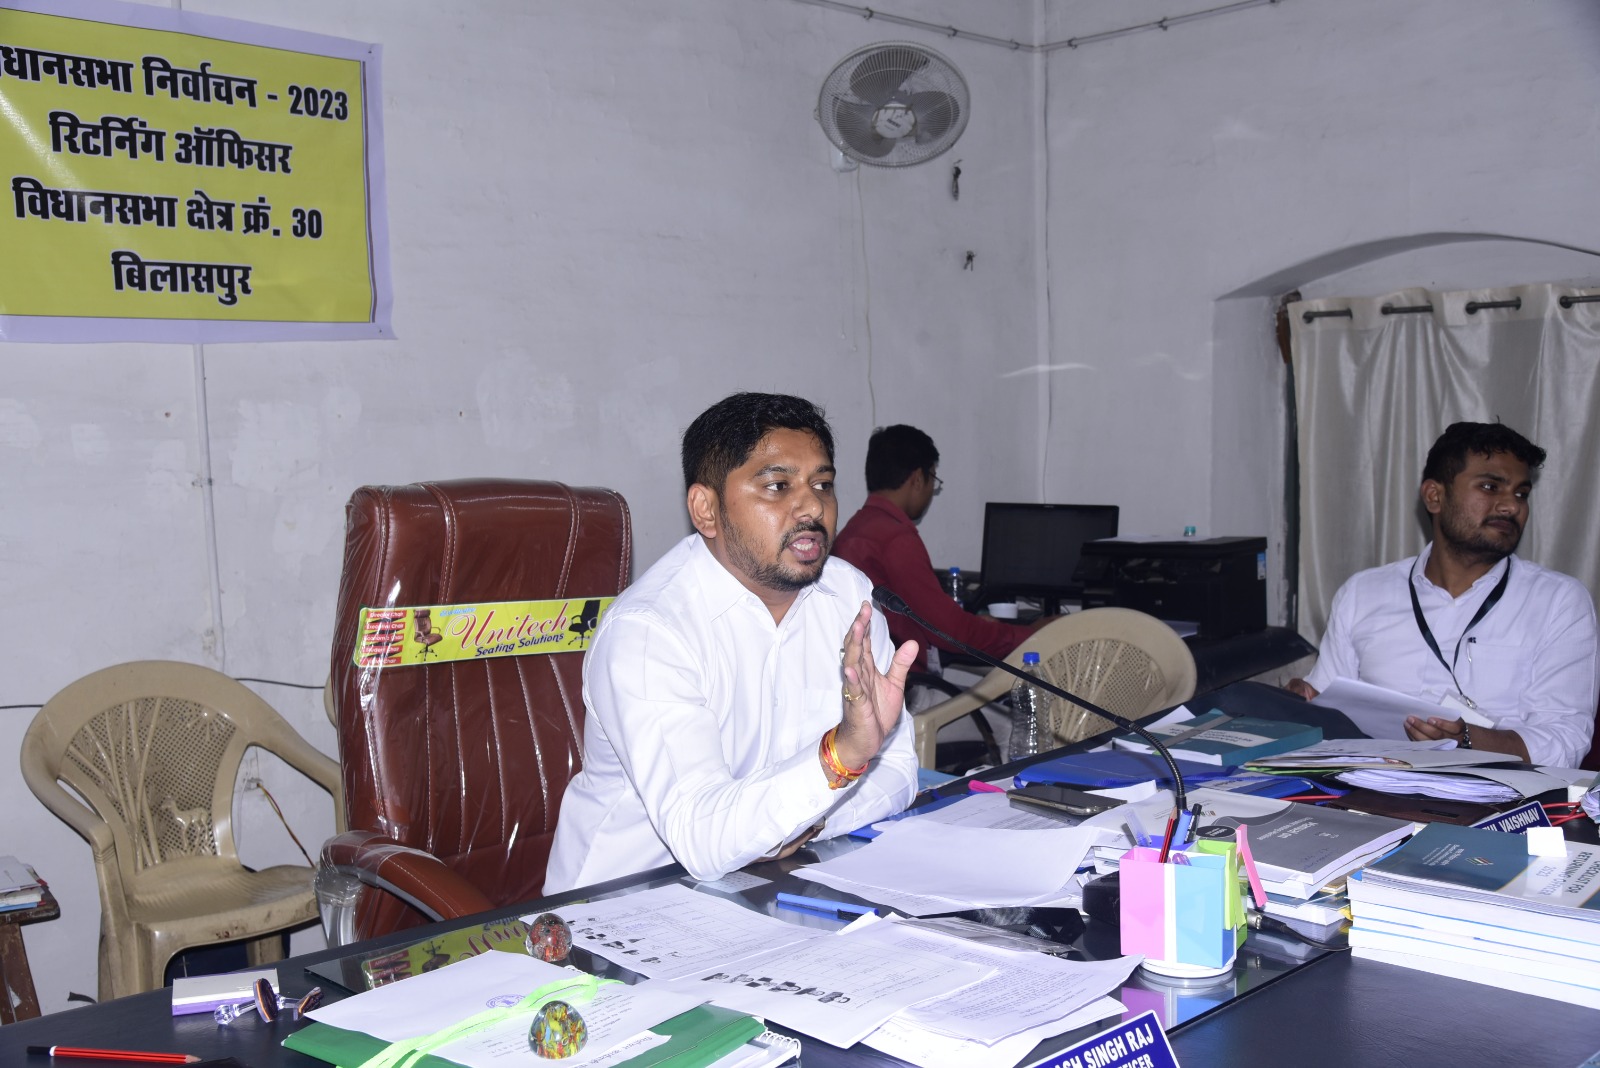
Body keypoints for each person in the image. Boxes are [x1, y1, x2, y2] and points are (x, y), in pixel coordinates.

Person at [544, 393, 920, 893]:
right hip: (624, 908)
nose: (813, 506)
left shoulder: (849, 597)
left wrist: (812, 822)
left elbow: (900, 769)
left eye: (823, 484)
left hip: (769, 886)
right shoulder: (650, 631)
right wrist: (843, 755)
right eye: (778, 486)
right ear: (707, 510)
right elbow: (704, 840)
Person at [1289, 421, 1597, 767]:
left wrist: (1467, 740)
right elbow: (1325, 706)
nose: (1512, 507)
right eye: (1490, 487)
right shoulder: (1363, 593)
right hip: (1373, 784)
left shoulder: (1559, 602)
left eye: (1521, 494)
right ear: (1435, 496)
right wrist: (1302, 701)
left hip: (1496, 792)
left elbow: (1566, 742)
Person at [832, 424, 1047, 674]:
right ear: (917, 479)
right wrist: (1033, 634)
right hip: (902, 683)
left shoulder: (856, 529)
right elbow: (952, 633)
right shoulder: (895, 539)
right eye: (933, 479)